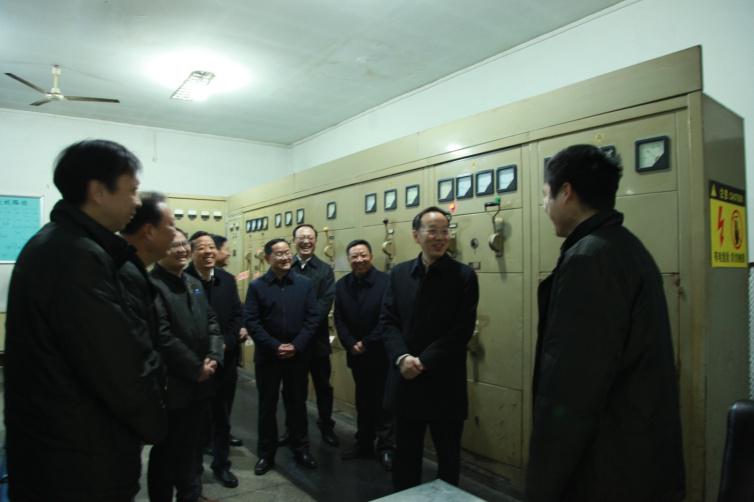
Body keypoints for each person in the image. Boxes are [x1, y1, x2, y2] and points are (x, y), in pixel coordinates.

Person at [4, 139, 166, 502]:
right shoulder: (76, 256)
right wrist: (156, 423)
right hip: (77, 459)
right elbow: (114, 363)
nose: (136, 202)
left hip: (60, 448)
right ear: (98, 191)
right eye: (131, 190)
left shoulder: (60, 243)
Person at [526, 144, 685, 502]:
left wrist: (543, 483)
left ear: (566, 192)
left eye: (546, 195)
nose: (545, 205)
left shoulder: (589, 259)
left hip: (604, 466)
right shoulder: (625, 247)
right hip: (635, 456)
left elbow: (572, 385)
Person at [381, 206, 479, 490]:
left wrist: (422, 361)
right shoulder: (399, 274)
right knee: (406, 456)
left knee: (448, 457)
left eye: (445, 231)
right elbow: (387, 321)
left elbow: (461, 330)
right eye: (432, 231)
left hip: (444, 382)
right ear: (416, 236)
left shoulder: (463, 276)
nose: (440, 237)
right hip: (406, 381)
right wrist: (402, 358)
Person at [148, 229, 224, 502]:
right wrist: (196, 368)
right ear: (160, 249)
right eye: (174, 245)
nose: (181, 249)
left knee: (193, 447)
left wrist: (214, 356)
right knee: (167, 451)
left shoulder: (192, 282)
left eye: (183, 243)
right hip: (173, 385)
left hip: (201, 384)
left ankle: (191, 495)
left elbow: (212, 321)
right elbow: (162, 336)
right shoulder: (152, 285)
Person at [244, 238, 320, 475]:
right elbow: (252, 321)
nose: (286, 257)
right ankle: (266, 454)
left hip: (297, 356)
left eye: (287, 252)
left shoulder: (304, 284)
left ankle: (301, 449)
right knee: (267, 406)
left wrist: (296, 345)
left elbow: (313, 318)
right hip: (268, 357)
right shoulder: (257, 287)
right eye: (279, 254)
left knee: (297, 404)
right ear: (268, 258)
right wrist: (275, 345)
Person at [186, 231, 243, 488]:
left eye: (211, 247)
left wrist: (225, 344)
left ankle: (222, 465)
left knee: (223, 419)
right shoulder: (184, 280)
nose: (208, 251)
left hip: (225, 362)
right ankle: (193, 473)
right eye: (202, 247)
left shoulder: (227, 280)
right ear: (192, 252)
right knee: (196, 423)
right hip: (198, 365)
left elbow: (237, 316)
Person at [334, 239, 395, 471]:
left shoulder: (386, 282)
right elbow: (339, 318)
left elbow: (387, 317)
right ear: (349, 259)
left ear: (371, 256)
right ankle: (364, 444)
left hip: (380, 353)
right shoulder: (342, 285)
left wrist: (367, 342)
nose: (359, 260)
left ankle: (386, 447)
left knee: (384, 403)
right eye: (354, 256)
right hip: (356, 355)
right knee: (363, 400)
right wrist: (350, 343)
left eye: (363, 255)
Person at [281, 224, 339, 446]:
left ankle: (326, 426)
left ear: (316, 241)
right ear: (293, 241)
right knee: (293, 389)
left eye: (310, 237)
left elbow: (324, 305)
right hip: (292, 342)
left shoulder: (325, 270)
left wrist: (303, 328)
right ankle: (292, 429)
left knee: (323, 386)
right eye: (301, 237)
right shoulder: (286, 267)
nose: (306, 241)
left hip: (317, 342)